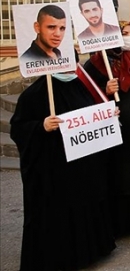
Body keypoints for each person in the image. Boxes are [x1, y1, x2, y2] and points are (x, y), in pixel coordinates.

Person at [10, 71, 116, 270]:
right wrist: (41, 125)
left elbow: (91, 116)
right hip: (55, 169)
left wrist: (107, 116)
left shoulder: (79, 86)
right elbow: (18, 129)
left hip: (81, 166)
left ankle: (90, 250)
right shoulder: (34, 94)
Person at [84, 21, 130, 234]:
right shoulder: (97, 63)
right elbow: (85, 94)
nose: (128, 37)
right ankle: (126, 223)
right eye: (123, 33)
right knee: (124, 173)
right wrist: (105, 90)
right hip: (119, 129)